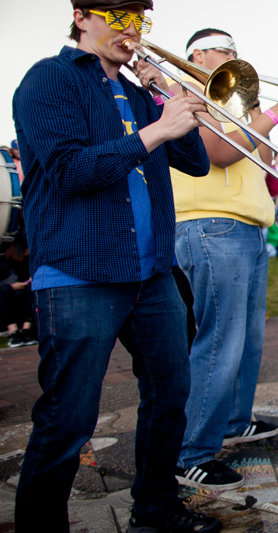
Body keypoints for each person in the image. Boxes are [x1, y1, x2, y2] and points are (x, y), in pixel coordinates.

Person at [12, 1, 220, 531]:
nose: (131, 29)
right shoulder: (49, 79)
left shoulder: (138, 92)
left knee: (170, 396)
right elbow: (70, 171)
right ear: (82, 16)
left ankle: (155, 510)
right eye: (118, 16)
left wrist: (170, 99)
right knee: (68, 419)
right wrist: (155, 132)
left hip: (150, 273)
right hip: (80, 272)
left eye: (139, 19)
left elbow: (196, 163)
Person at [169, 28, 278, 492]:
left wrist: (255, 110)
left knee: (248, 340)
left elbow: (263, 159)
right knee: (220, 342)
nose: (234, 54)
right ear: (198, 54)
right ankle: (191, 453)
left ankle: (232, 420)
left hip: (246, 227)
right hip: (211, 225)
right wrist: (274, 112)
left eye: (234, 48)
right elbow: (219, 155)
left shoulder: (229, 102)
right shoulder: (184, 90)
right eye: (224, 48)